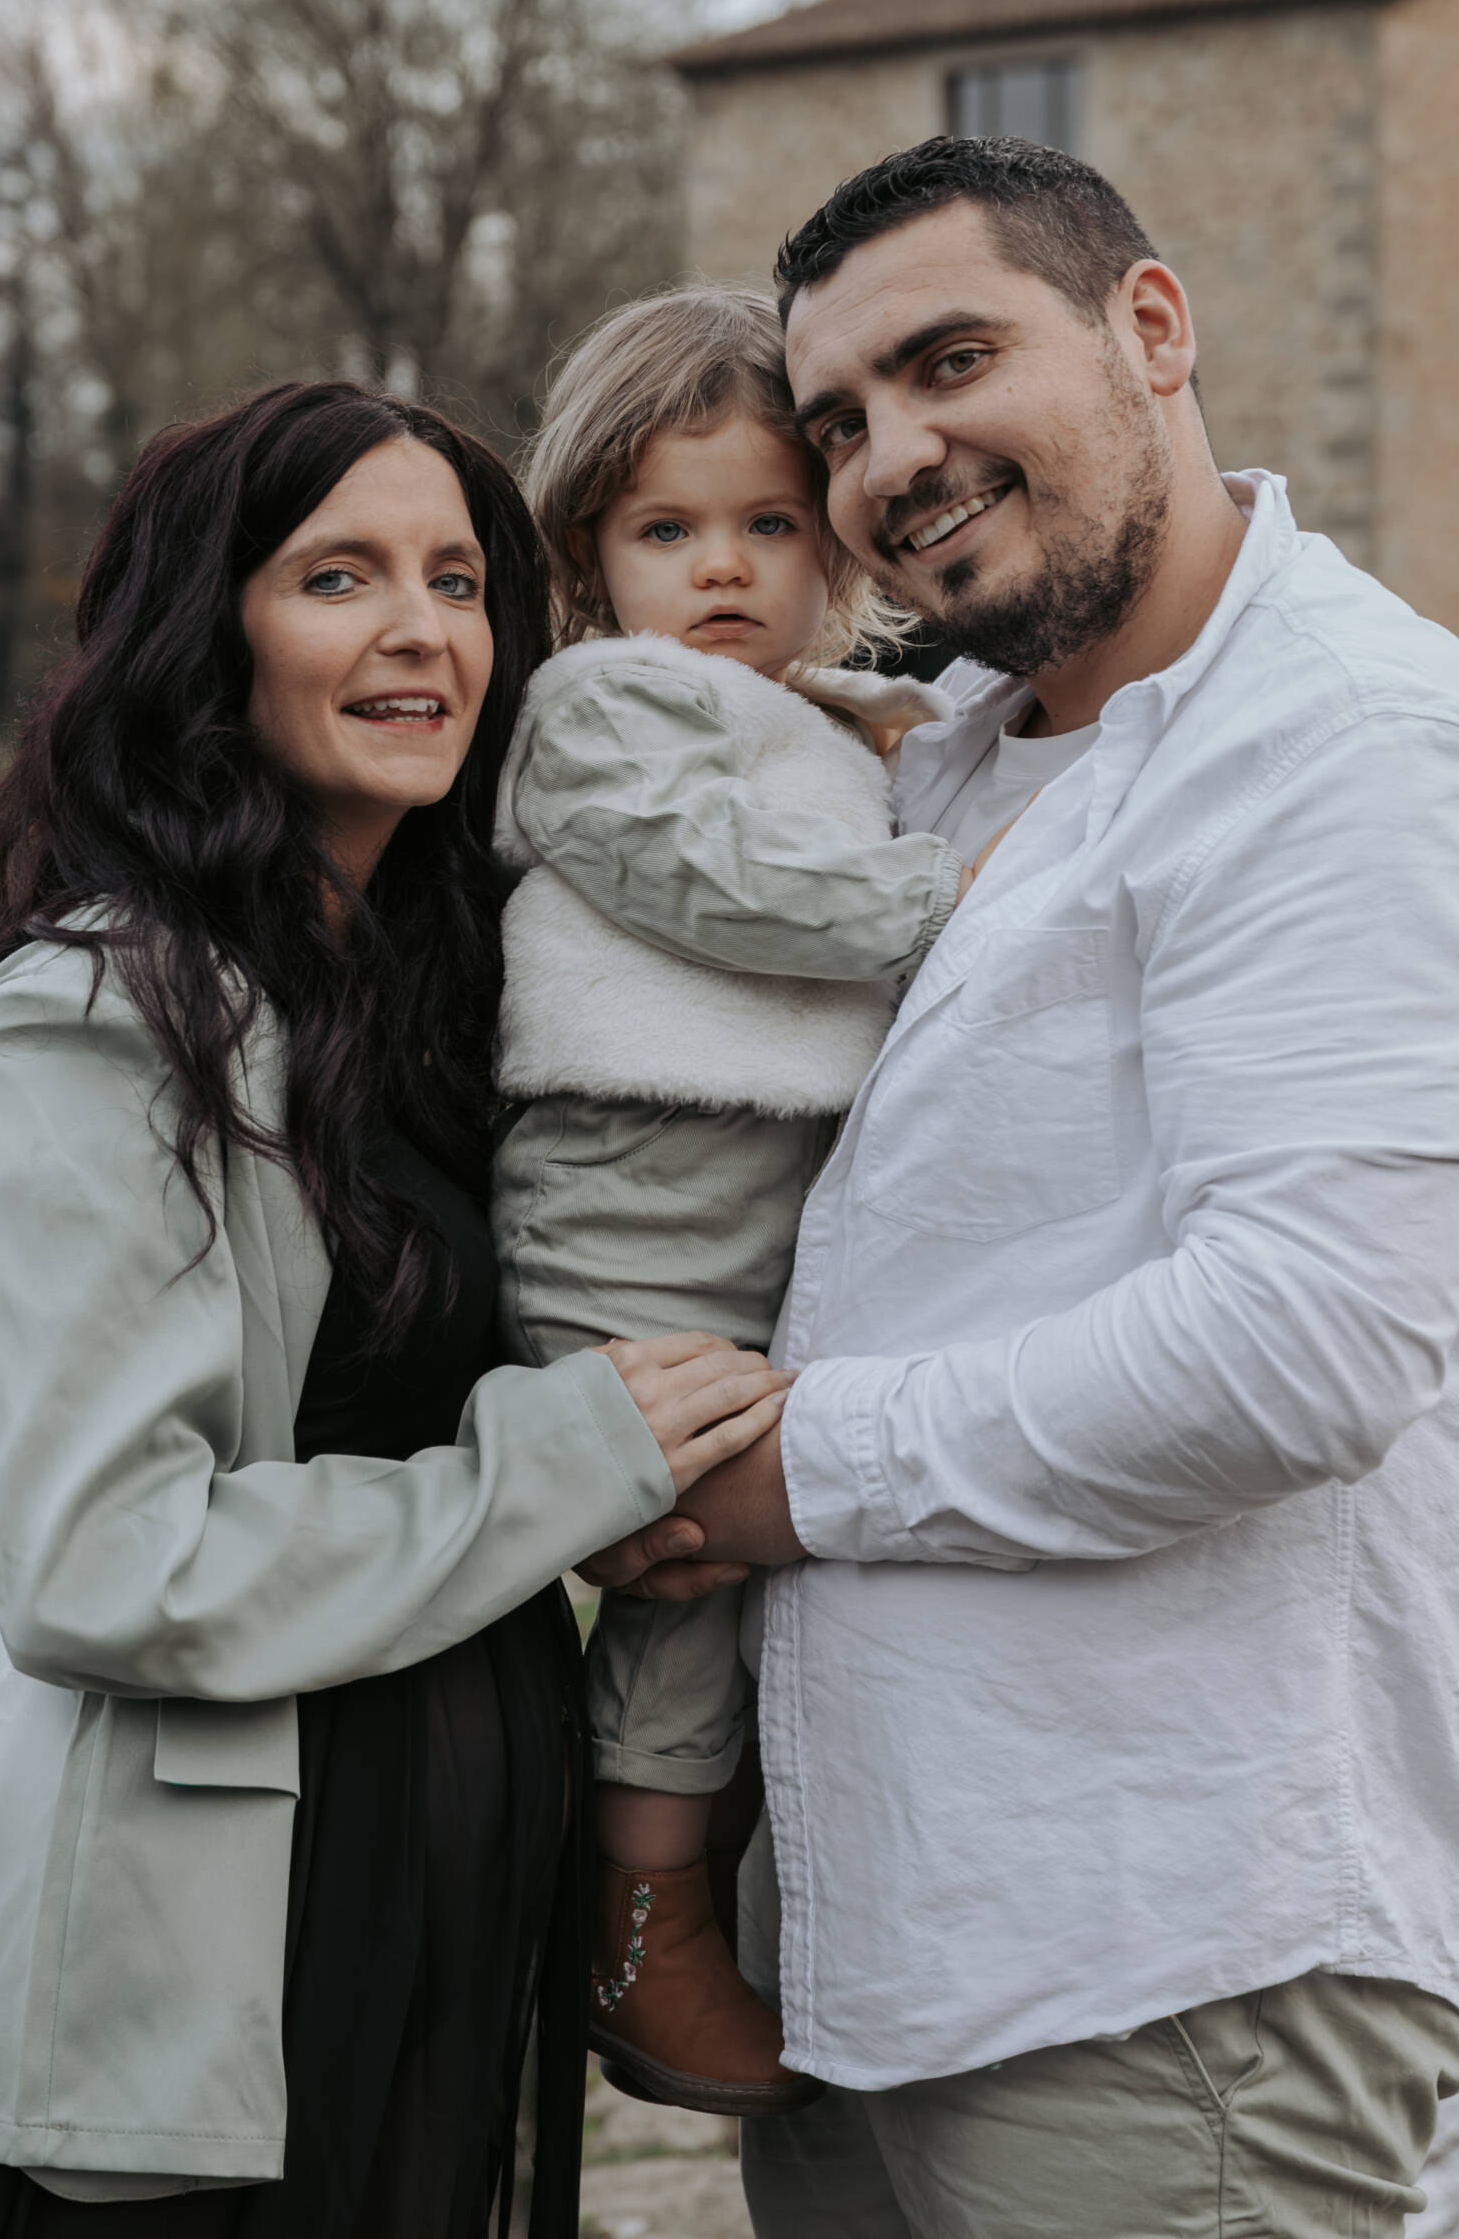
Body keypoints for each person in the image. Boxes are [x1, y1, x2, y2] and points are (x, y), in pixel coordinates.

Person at [582, 136, 1459, 2238]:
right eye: (842, 420)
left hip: (1169, 1962)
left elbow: (1296, 1344)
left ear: (1149, 328)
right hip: (869, 1947)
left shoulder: (1346, 747)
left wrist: (771, 1477)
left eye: (951, 358)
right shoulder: (936, 759)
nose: (891, 457)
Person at [0, 381, 791, 2239]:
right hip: (206, 1999)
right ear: (204, 635)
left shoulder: (418, 1003)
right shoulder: (104, 1015)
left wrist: (652, 1497)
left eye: (461, 580)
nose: (422, 630)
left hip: (442, 1942)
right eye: (339, 577)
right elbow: (102, 1565)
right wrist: (573, 1458)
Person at [490, 284, 972, 2115]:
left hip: (760, 1185)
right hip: (634, 1177)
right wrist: (944, 903)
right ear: (588, 553)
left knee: (762, 1537)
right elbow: (713, 885)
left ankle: (720, 1877)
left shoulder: (849, 719)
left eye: (771, 523)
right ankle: (640, 1925)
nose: (724, 569)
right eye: (667, 530)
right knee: (683, 1547)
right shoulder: (601, 710)